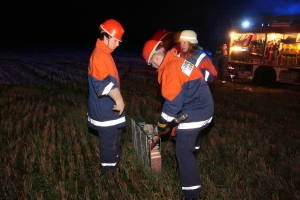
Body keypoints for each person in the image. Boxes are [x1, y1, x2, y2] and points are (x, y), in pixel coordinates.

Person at [142, 40, 215, 200]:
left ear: (155, 58)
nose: (153, 67)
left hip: (198, 110)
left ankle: (191, 193)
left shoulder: (170, 68)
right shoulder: (175, 61)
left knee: (182, 150)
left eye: (150, 64)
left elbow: (173, 104)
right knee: (181, 135)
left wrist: (161, 125)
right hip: (199, 106)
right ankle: (189, 161)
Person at [87, 19, 126, 173]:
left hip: (109, 110)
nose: (118, 44)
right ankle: (109, 177)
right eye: (116, 40)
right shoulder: (99, 56)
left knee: (116, 139)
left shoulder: (105, 53)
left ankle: (114, 166)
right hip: (104, 111)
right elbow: (103, 84)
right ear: (106, 36)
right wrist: (119, 99)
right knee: (109, 143)